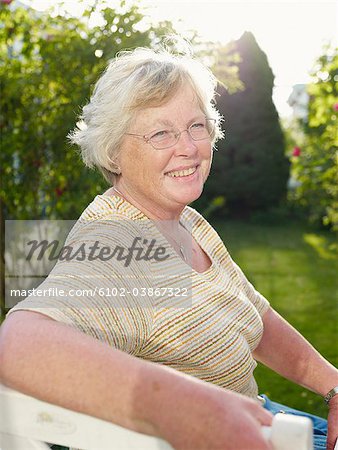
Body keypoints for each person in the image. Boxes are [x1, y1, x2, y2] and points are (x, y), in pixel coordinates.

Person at [0, 44, 337, 450]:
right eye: (161, 132)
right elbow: (19, 344)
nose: (190, 147)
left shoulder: (186, 221)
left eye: (197, 126)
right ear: (112, 151)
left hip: (263, 415)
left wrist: (332, 385)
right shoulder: (116, 243)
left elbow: (254, 315)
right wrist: (180, 406)